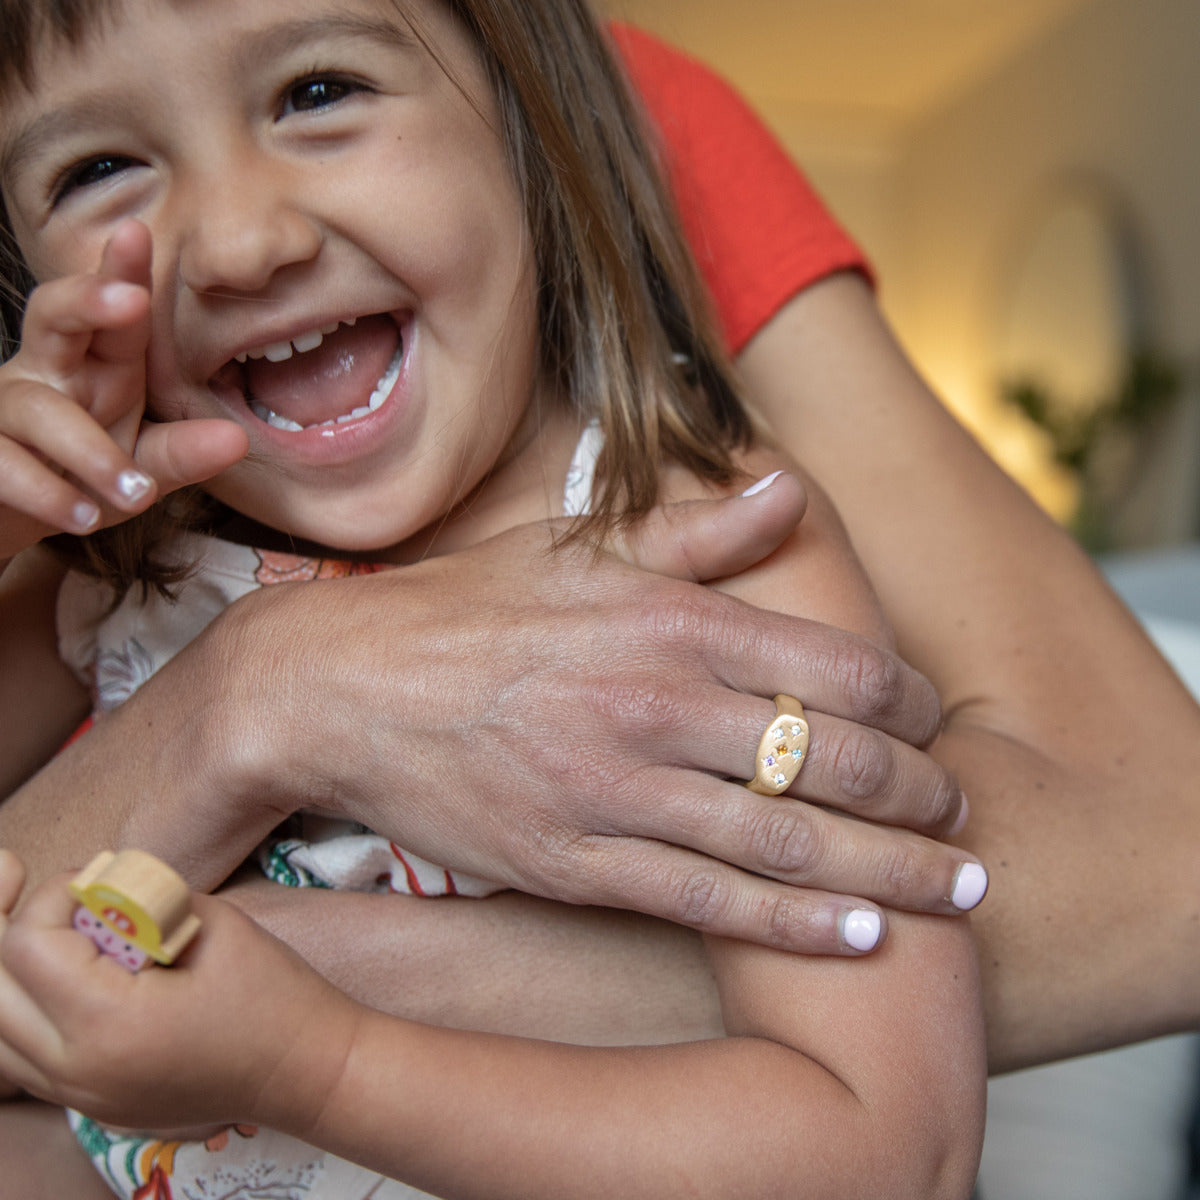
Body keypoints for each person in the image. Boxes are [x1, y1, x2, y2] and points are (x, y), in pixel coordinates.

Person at [1, 0, 1198, 1187]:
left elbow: (893, 1151)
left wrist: (323, 1063)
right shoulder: (107, 574)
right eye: (100, 168)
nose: (236, 243)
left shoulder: (728, 554)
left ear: (529, 126)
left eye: (318, 93)